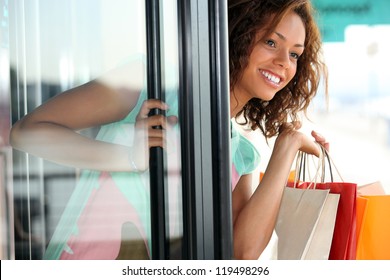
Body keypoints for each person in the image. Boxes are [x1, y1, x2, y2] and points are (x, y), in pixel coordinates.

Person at [10, 0, 328, 260]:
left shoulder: (241, 154)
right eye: (271, 41)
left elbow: (241, 255)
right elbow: (26, 132)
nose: (284, 62)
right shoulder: (149, 82)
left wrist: (286, 147)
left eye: (295, 54)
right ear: (237, 34)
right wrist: (129, 158)